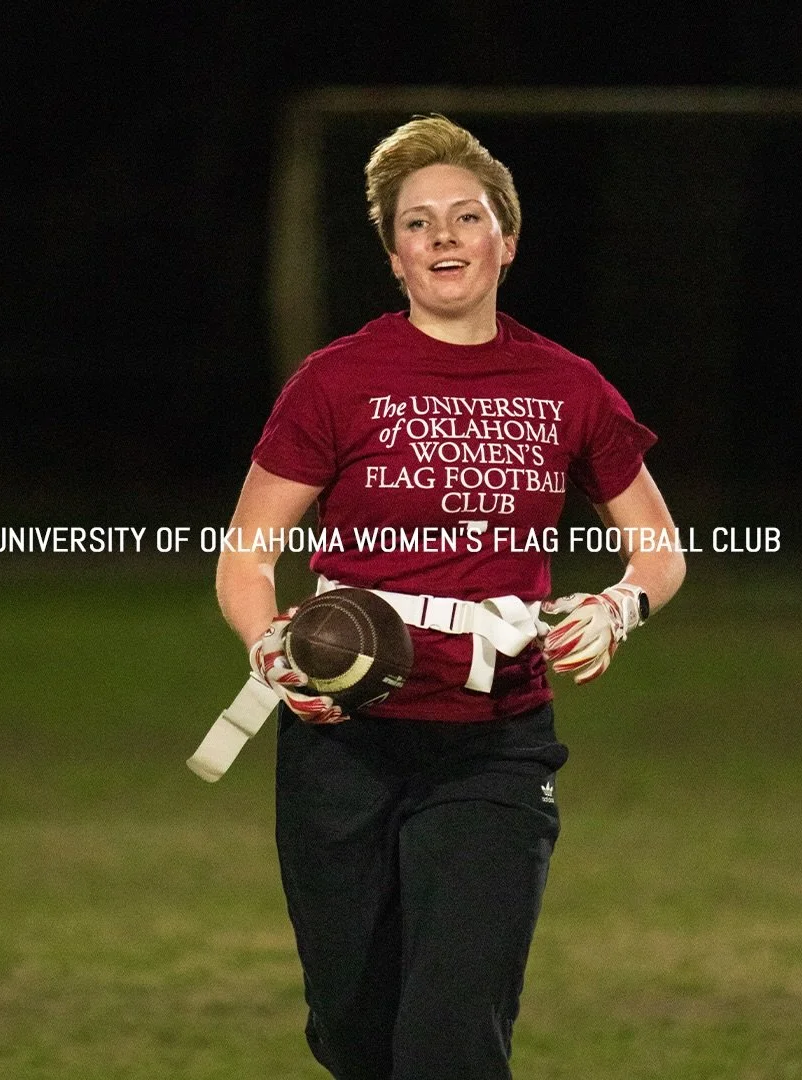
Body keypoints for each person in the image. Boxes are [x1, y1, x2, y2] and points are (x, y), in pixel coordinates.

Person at [215, 114, 686, 1080]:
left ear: (504, 242)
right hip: (341, 740)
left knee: (448, 1040)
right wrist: (270, 648)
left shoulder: (568, 386)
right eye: (417, 223)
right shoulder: (336, 381)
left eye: (465, 217)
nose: (442, 237)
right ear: (394, 257)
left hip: (494, 745)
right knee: (355, 1031)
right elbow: (247, 555)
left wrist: (616, 608)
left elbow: (661, 553)